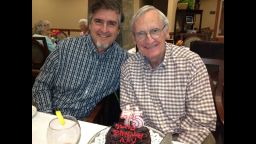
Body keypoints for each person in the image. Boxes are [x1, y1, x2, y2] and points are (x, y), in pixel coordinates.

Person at [120, 5, 216, 144]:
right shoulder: (128, 67)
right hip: (149, 138)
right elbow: (130, 113)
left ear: (166, 32)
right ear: (134, 38)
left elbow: (202, 120)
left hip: (187, 138)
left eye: (154, 31)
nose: (149, 39)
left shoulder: (191, 63)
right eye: (141, 33)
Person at [32, 0, 128, 121]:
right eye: (98, 21)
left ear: (118, 30)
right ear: (90, 25)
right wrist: (49, 117)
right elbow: (41, 85)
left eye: (111, 23)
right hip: (52, 118)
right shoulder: (65, 48)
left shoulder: (122, 60)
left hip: (85, 125)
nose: (104, 29)